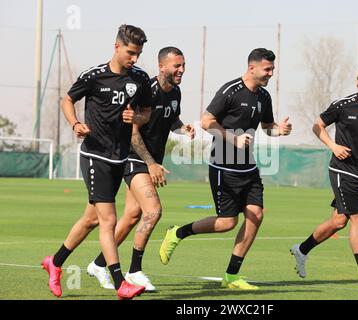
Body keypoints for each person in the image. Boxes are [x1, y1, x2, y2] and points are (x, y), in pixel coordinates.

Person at [158, 48, 292, 290]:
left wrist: (278, 130)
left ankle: (231, 276)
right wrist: (233, 139)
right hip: (223, 167)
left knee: (256, 215)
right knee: (226, 223)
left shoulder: (264, 97)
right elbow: (207, 120)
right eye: (267, 69)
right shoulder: (231, 90)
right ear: (252, 68)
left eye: (273, 69)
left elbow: (267, 126)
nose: (271, 74)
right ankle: (177, 233)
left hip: (248, 168)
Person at [41, 24, 153, 300]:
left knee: (91, 219)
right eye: (130, 52)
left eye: (138, 54)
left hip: (119, 157)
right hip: (94, 156)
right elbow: (67, 100)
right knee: (109, 220)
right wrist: (75, 123)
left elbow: (147, 113)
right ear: (116, 47)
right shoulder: (93, 76)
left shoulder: (140, 79)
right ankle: (120, 283)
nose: (135, 59)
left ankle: (54, 263)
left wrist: (136, 119)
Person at [86, 47, 195, 292]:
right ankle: (134, 270)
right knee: (153, 212)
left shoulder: (175, 91)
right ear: (162, 66)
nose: (182, 70)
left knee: (133, 216)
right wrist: (151, 163)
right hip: (133, 157)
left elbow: (171, 118)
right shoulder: (148, 91)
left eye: (183, 65)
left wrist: (182, 128)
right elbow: (133, 133)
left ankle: (98, 264)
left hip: (147, 160)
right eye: (177, 66)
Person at [290, 64, 358, 289]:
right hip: (341, 169)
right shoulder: (343, 105)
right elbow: (317, 126)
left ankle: (302, 249)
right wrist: (333, 145)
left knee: (338, 221)